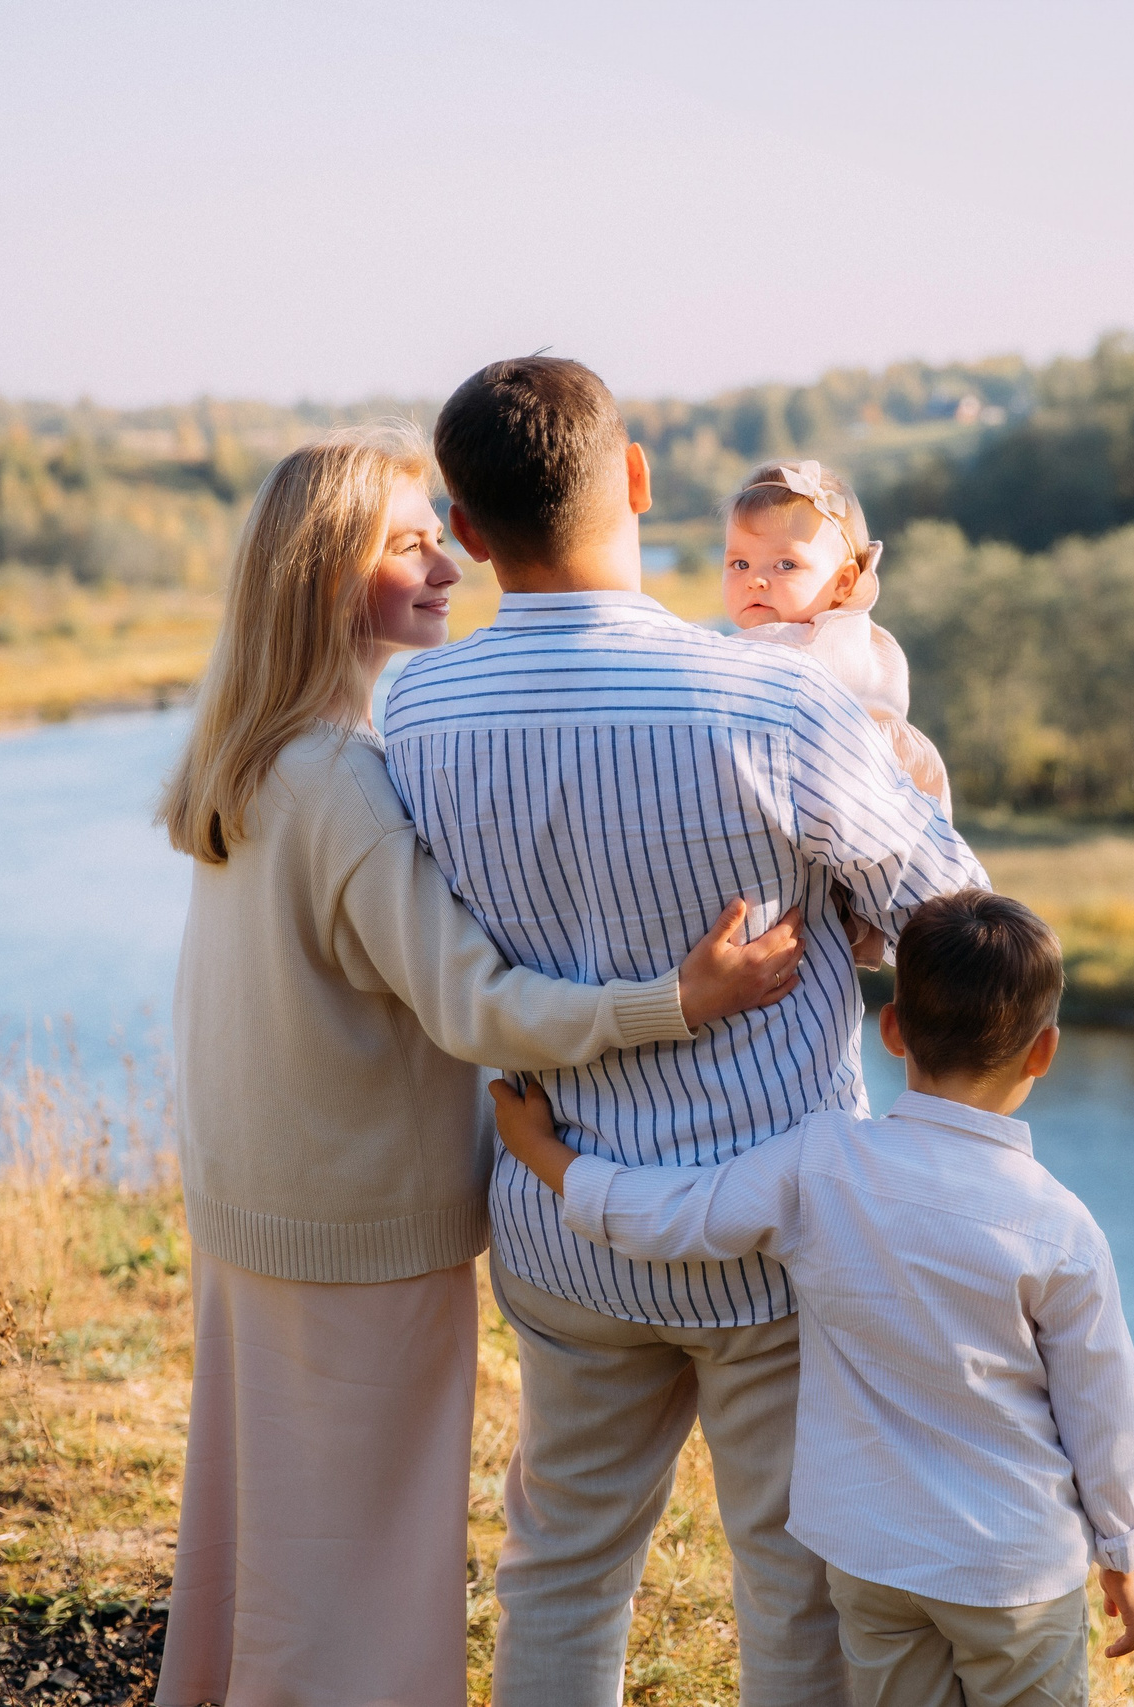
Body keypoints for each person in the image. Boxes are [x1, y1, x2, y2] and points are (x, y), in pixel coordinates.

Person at [152, 427, 807, 1707]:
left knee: (266, 1542)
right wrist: (672, 1000)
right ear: (320, 575)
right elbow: (476, 1005)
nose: (452, 561)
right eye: (409, 543)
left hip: (253, 1206)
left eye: (441, 532)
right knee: (364, 1563)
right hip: (356, 1228)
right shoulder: (341, 776)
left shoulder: (251, 754)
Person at [383, 357, 990, 1707]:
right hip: (780, 1240)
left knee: (561, 1564)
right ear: (640, 481)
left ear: (470, 532)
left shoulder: (415, 710)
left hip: (560, 1216)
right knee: (794, 1577)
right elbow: (960, 919)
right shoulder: (780, 703)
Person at [491, 890, 1134, 1707]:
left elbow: (674, 1218)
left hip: (871, 1562)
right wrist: (1125, 1547)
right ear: (1044, 1051)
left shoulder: (822, 1164)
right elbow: (1104, 1407)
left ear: (892, 1030)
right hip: (1009, 1570)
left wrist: (547, 1156)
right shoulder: (1058, 1227)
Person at [721, 457, 951, 806]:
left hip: (847, 792)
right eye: (740, 564)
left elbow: (716, 678)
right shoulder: (865, 636)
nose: (755, 579)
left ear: (842, 582)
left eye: (786, 564)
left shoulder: (797, 645)